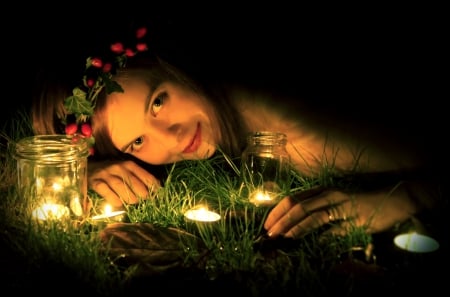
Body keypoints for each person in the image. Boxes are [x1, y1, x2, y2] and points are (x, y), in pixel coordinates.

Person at [31, 27, 441, 240]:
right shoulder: (221, 127)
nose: (170, 137)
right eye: (137, 142)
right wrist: (86, 171)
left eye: (158, 101)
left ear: (173, 67)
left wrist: (406, 198)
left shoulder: (285, 125)